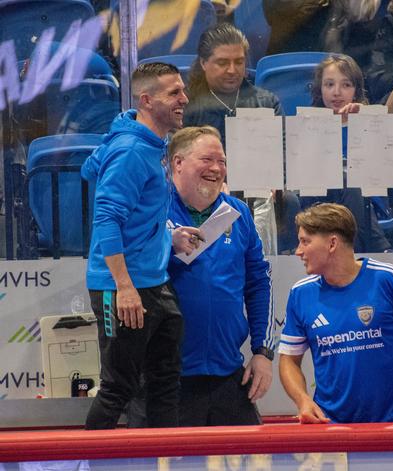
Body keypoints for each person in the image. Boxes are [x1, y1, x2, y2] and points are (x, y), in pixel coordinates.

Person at [81, 62, 191, 430]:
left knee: (164, 383)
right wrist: (124, 287)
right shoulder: (130, 150)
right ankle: (90, 461)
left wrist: (167, 238)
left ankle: (166, 460)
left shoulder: (150, 142)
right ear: (146, 100)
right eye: (174, 93)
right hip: (125, 287)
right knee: (118, 388)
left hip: (155, 282)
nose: (184, 99)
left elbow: (90, 169)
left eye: (183, 90)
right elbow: (107, 220)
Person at [279, 202, 393, 423]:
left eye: (305, 242)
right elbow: (288, 360)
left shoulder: (389, 279)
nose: (298, 251)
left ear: (332, 243)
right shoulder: (300, 293)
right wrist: (302, 400)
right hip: (329, 429)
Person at [169, 125, 275, 426]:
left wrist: (263, 352)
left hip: (228, 374)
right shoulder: (152, 209)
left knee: (250, 456)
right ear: (178, 163)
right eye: (207, 159)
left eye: (222, 161)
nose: (216, 169)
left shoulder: (238, 214)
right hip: (167, 379)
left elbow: (259, 283)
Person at [184, 22, 300, 254]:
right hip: (205, 186)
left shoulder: (266, 102)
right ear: (204, 63)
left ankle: (280, 264)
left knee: (289, 201)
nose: (232, 70)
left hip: (261, 190)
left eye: (239, 62)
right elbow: (180, 160)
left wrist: (276, 180)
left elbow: (285, 153)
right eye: (222, 63)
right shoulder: (188, 105)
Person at [305, 53, 392, 253]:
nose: (337, 92)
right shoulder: (306, 125)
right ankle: (380, 249)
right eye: (329, 85)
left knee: (351, 182)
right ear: (319, 89)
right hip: (320, 199)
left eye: (346, 85)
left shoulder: (371, 120)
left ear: (356, 90)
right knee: (344, 179)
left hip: (368, 201)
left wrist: (368, 119)